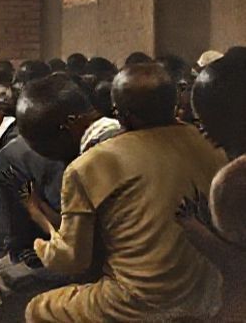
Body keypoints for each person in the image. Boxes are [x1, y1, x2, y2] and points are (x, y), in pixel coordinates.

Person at [24, 64, 226, 322]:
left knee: (38, 308)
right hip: (208, 298)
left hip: (137, 302)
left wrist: (41, 239)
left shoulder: (89, 165)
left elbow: (73, 260)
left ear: (123, 116)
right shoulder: (213, 146)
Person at [179, 49, 246, 320]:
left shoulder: (233, 182)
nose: (201, 129)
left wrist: (195, 229)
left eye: (206, 119)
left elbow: (238, 268)